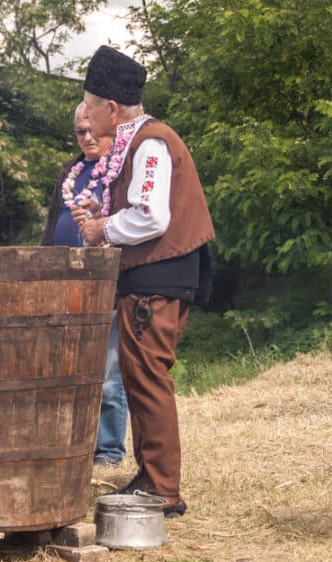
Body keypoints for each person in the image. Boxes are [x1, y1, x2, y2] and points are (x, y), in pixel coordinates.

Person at [71, 46, 215, 518]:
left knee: (148, 378)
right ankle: (152, 475)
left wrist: (102, 229)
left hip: (157, 276)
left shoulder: (149, 142)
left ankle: (163, 488)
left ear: (112, 108)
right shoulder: (139, 139)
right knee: (139, 376)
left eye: (90, 107)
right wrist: (107, 214)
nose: (87, 120)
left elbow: (152, 216)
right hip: (152, 275)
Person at [41, 101, 128, 467]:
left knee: (108, 373)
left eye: (94, 130)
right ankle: (69, 445)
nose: (88, 137)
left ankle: (107, 451)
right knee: (64, 370)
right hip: (64, 282)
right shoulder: (70, 170)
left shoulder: (122, 167)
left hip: (108, 282)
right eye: (80, 131)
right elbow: (52, 224)